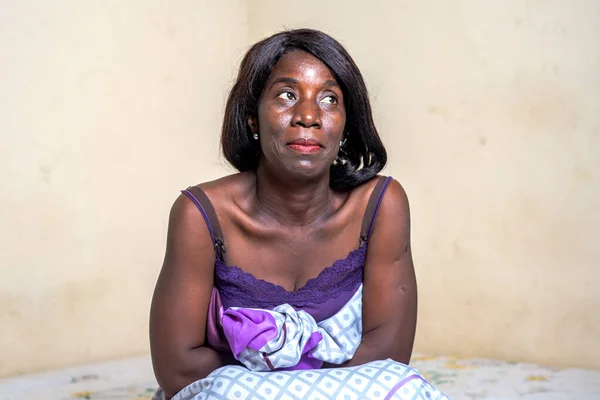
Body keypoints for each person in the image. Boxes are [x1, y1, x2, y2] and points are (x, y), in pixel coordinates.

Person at [150, 28, 449, 400]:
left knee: (404, 389)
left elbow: (388, 355)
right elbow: (178, 369)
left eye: (328, 99)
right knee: (224, 392)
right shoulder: (202, 215)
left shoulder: (380, 205)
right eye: (287, 95)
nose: (307, 116)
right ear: (252, 119)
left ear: (345, 124)